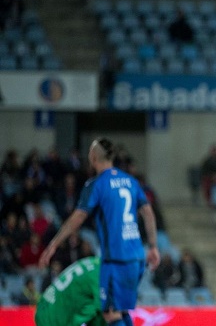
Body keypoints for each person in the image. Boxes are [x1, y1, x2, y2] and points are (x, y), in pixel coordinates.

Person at [39, 137, 160, 326]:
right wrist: (153, 247)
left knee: (110, 314)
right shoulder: (130, 181)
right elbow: (148, 212)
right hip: (137, 258)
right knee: (119, 311)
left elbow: (77, 218)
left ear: (93, 157)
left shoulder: (96, 184)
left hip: (115, 260)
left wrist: (53, 244)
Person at [35, 256, 107, 326]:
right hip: (53, 317)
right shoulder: (101, 275)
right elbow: (105, 312)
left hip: (46, 307)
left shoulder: (94, 262)